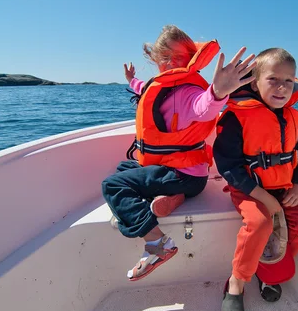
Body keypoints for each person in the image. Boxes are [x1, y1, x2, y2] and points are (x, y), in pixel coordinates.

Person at [102, 25, 256, 281]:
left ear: (191, 59)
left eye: (178, 57)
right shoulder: (161, 86)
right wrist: (130, 79)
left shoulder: (187, 91)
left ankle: (156, 245)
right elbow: (143, 88)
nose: (170, 62)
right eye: (164, 57)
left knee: (112, 186)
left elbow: (203, 107)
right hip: (186, 176)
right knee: (124, 168)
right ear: (156, 60)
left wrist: (218, 92)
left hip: (183, 174)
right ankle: (174, 197)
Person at [213, 48, 298, 311]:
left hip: (284, 188)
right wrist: (264, 198)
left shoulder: (294, 119)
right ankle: (236, 284)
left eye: (289, 80)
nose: (282, 87)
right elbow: (228, 166)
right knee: (260, 223)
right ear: (254, 82)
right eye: (273, 79)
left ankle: (266, 264)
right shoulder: (236, 117)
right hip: (248, 189)